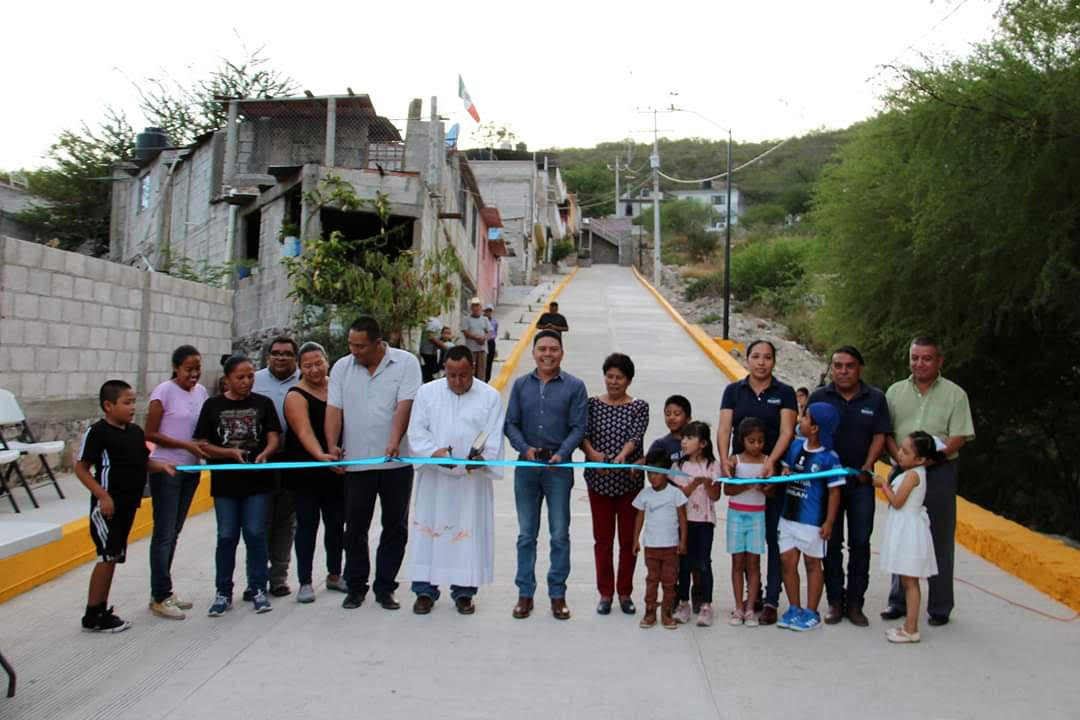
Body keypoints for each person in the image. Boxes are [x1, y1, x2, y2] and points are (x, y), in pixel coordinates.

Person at [325, 316, 422, 611]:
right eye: (351, 345)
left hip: (396, 463)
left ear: (378, 343)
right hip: (356, 464)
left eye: (361, 346)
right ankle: (356, 587)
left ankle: (385, 587)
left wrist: (394, 440)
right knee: (354, 527)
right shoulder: (342, 367)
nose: (355, 351)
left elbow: (404, 406)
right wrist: (331, 446)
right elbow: (334, 408)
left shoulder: (406, 363)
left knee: (395, 527)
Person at [880, 336, 975, 627]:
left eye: (926, 358)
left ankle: (940, 606)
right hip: (901, 467)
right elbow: (886, 430)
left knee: (940, 537)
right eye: (914, 358)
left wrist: (930, 458)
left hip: (940, 471)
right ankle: (898, 600)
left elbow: (959, 435)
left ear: (939, 361)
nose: (919, 363)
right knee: (902, 531)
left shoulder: (955, 395)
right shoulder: (896, 391)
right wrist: (900, 458)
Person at [406, 345, 506, 615]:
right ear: (445, 371)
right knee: (429, 532)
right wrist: (433, 453)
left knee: (466, 535)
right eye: (452, 375)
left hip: (471, 482)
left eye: (463, 375)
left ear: (472, 369)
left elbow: (493, 435)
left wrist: (482, 458)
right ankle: (425, 591)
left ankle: (464, 592)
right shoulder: (427, 393)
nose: (458, 381)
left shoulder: (489, 397)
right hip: (435, 480)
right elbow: (416, 432)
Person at [77, 380, 175, 633]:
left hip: (128, 506)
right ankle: (93, 613)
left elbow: (143, 462)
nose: (132, 407)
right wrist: (103, 497)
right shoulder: (98, 433)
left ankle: (101, 607)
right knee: (107, 556)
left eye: (133, 402)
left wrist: (161, 466)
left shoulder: (134, 432)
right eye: (126, 402)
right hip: (109, 507)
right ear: (108, 406)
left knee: (115, 556)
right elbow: (82, 468)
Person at [504, 329, 588, 621]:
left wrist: (562, 453)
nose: (547, 354)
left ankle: (557, 595)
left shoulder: (575, 387)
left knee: (559, 535)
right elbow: (510, 423)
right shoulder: (519, 386)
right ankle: (525, 594)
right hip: (526, 468)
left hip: (558, 469)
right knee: (526, 534)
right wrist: (524, 449)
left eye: (553, 349)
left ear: (562, 353)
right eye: (542, 349)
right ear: (534, 352)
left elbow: (579, 426)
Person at [716, 339, 798, 625]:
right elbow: (725, 427)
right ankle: (753, 596)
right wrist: (725, 458)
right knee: (744, 549)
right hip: (743, 477)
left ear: (774, 361)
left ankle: (772, 599)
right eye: (756, 356)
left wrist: (771, 462)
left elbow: (787, 431)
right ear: (747, 359)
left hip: (772, 477)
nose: (761, 362)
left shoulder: (785, 393)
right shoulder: (733, 391)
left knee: (772, 539)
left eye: (767, 357)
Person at [809, 345, 891, 627]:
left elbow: (880, 436)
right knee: (830, 543)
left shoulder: (875, 398)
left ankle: (855, 604)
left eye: (849, 366)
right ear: (831, 368)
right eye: (838, 365)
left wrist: (868, 465)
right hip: (827, 485)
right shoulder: (819, 397)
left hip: (860, 483)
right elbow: (809, 435)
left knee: (859, 543)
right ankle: (834, 602)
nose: (843, 371)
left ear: (860, 369)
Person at [195, 355, 282, 617]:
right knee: (227, 536)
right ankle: (223, 592)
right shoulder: (212, 406)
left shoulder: (263, 404)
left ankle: (257, 588)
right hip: (225, 484)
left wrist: (266, 453)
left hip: (258, 483)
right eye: (240, 377)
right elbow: (202, 443)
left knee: (255, 534)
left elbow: (273, 436)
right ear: (227, 379)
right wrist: (227, 454)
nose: (246, 382)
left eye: (250, 377)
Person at [581, 353, 649, 616]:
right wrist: (593, 455)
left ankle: (625, 592)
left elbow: (636, 435)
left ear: (629, 380)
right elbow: (583, 434)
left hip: (629, 484)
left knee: (628, 541)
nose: (613, 382)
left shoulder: (638, 406)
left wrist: (623, 456)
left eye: (619, 377)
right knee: (603, 540)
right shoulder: (592, 405)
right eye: (610, 376)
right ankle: (605, 593)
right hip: (598, 482)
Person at [145, 345, 209, 620]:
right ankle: (159, 595)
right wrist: (185, 445)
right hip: (167, 469)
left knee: (175, 530)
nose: (193, 374)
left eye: (197, 369)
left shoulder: (202, 392)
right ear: (175, 368)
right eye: (188, 369)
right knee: (164, 533)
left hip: (191, 470)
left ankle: (164, 591)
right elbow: (150, 433)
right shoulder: (163, 392)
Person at [283, 342, 346, 604]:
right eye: (307, 365)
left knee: (335, 524)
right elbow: (304, 432)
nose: (314, 369)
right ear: (299, 368)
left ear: (327, 361)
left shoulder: (337, 387)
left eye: (318, 363)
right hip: (307, 470)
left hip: (336, 468)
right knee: (307, 525)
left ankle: (334, 574)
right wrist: (320, 456)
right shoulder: (295, 395)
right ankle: (305, 581)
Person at [776, 402, 845, 632]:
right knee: (788, 562)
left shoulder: (829, 458)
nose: (800, 421)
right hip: (788, 516)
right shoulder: (794, 447)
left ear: (815, 428)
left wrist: (829, 522)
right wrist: (785, 473)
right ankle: (794, 608)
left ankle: (811, 611)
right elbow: (786, 471)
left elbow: (835, 491)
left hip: (812, 520)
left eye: (805, 418)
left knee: (812, 563)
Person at [874, 431, 941, 643]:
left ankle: (912, 629)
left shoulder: (913, 475)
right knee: (906, 580)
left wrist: (883, 484)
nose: (899, 454)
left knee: (910, 581)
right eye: (901, 449)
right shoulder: (911, 472)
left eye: (905, 451)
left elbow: (897, 501)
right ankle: (908, 625)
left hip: (909, 531)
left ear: (920, 459)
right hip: (904, 526)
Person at [253, 336, 300, 598]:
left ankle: (279, 577)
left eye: (286, 354)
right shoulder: (255, 380)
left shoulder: (305, 380)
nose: (280, 358)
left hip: (292, 460)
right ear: (268, 356)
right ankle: (256, 578)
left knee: (285, 522)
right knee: (259, 522)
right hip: (260, 461)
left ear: (295, 358)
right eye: (276, 353)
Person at [670, 421, 721, 627]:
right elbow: (679, 495)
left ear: (703, 443)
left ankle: (707, 605)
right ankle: (683, 603)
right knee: (683, 565)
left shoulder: (713, 466)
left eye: (690, 438)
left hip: (705, 522)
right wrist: (693, 484)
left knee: (703, 563)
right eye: (684, 438)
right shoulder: (679, 467)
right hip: (684, 522)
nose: (684, 442)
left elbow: (716, 495)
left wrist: (708, 483)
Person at [631, 448, 688, 629]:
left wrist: (683, 541)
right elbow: (639, 518)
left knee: (670, 581)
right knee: (652, 579)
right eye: (649, 473)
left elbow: (682, 519)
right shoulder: (645, 495)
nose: (652, 477)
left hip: (671, 547)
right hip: (652, 547)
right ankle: (649, 612)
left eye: (656, 473)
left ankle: (667, 612)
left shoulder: (675, 493)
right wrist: (635, 540)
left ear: (666, 472)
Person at [725, 417, 768, 628]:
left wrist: (765, 487)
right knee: (737, 562)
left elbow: (772, 490)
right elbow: (728, 489)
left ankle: (751, 607)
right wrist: (748, 484)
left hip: (757, 517)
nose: (757, 445)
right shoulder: (735, 461)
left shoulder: (768, 461)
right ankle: (738, 606)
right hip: (736, 516)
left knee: (754, 563)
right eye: (752, 441)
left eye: (760, 441)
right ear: (743, 440)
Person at [647, 395, 692, 464]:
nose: (671, 417)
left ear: (688, 419)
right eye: (668, 414)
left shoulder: (696, 443)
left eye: (677, 414)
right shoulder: (660, 444)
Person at [462, 298, 492, 381]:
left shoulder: (485, 319)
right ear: (471, 308)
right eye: (474, 306)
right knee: (470, 369)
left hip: (482, 349)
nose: (476, 308)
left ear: (480, 307)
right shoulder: (466, 319)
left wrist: (484, 338)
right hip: (471, 349)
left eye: (477, 306)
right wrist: (477, 338)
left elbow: (489, 332)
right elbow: (465, 333)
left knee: (481, 371)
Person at [419, 316, 449, 383]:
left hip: (433, 352)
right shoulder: (431, 321)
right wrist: (445, 347)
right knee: (429, 375)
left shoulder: (434, 320)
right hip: (428, 352)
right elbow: (430, 337)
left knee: (432, 373)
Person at [484, 303, 498, 382]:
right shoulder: (481, 320)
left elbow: (495, 332)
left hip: (491, 342)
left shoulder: (494, 321)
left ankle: (487, 378)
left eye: (490, 311)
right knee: (483, 361)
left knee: (489, 360)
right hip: (483, 342)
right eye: (487, 311)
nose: (488, 312)